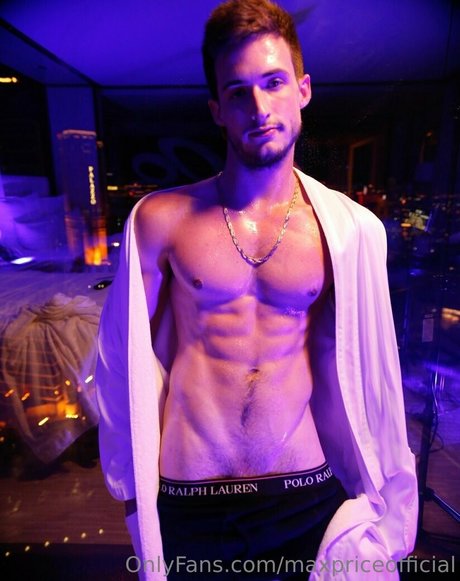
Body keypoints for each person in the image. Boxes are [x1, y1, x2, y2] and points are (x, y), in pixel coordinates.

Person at [96, 1, 418, 579]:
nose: (260, 107)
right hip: (191, 493)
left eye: (273, 82)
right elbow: (121, 361)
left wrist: (391, 491)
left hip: (303, 492)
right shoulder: (161, 220)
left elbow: (368, 372)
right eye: (238, 91)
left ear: (303, 90)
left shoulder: (348, 231)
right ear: (217, 110)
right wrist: (130, 491)